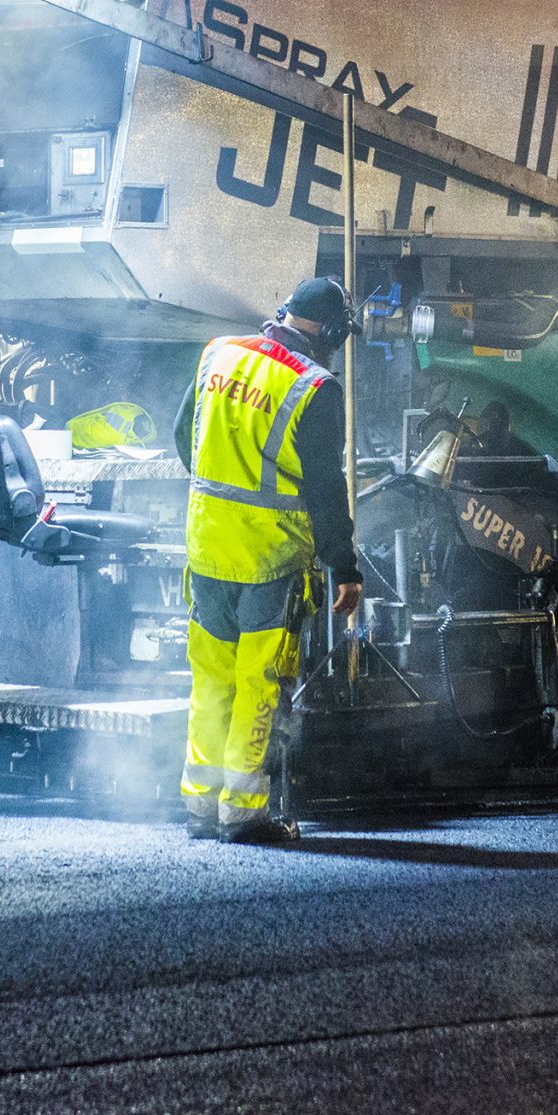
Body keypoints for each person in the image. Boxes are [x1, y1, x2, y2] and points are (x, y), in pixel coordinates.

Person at [170, 276, 365, 844]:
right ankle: (243, 813)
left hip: (206, 548)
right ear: (329, 333)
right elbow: (328, 489)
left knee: (211, 679)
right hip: (269, 558)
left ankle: (201, 807)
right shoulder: (314, 388)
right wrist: (344, 567)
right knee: (259, 681)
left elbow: (185, 437)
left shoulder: (219, 354)